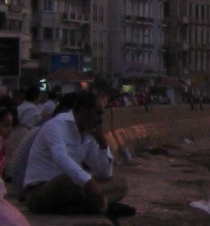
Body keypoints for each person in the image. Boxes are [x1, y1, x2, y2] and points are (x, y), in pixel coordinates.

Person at [23, 89, 133, 218]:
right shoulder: (56, 126)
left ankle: (93, 205)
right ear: (83, 111)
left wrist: (102, 144)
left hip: (74, 191)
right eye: (97, 114)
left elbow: (104, 173)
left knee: (121, 184)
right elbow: (61, 158)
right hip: (41, 191)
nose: (100, 119)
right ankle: (100, 205)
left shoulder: (88, 134)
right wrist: (89, 183)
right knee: (72, 179)